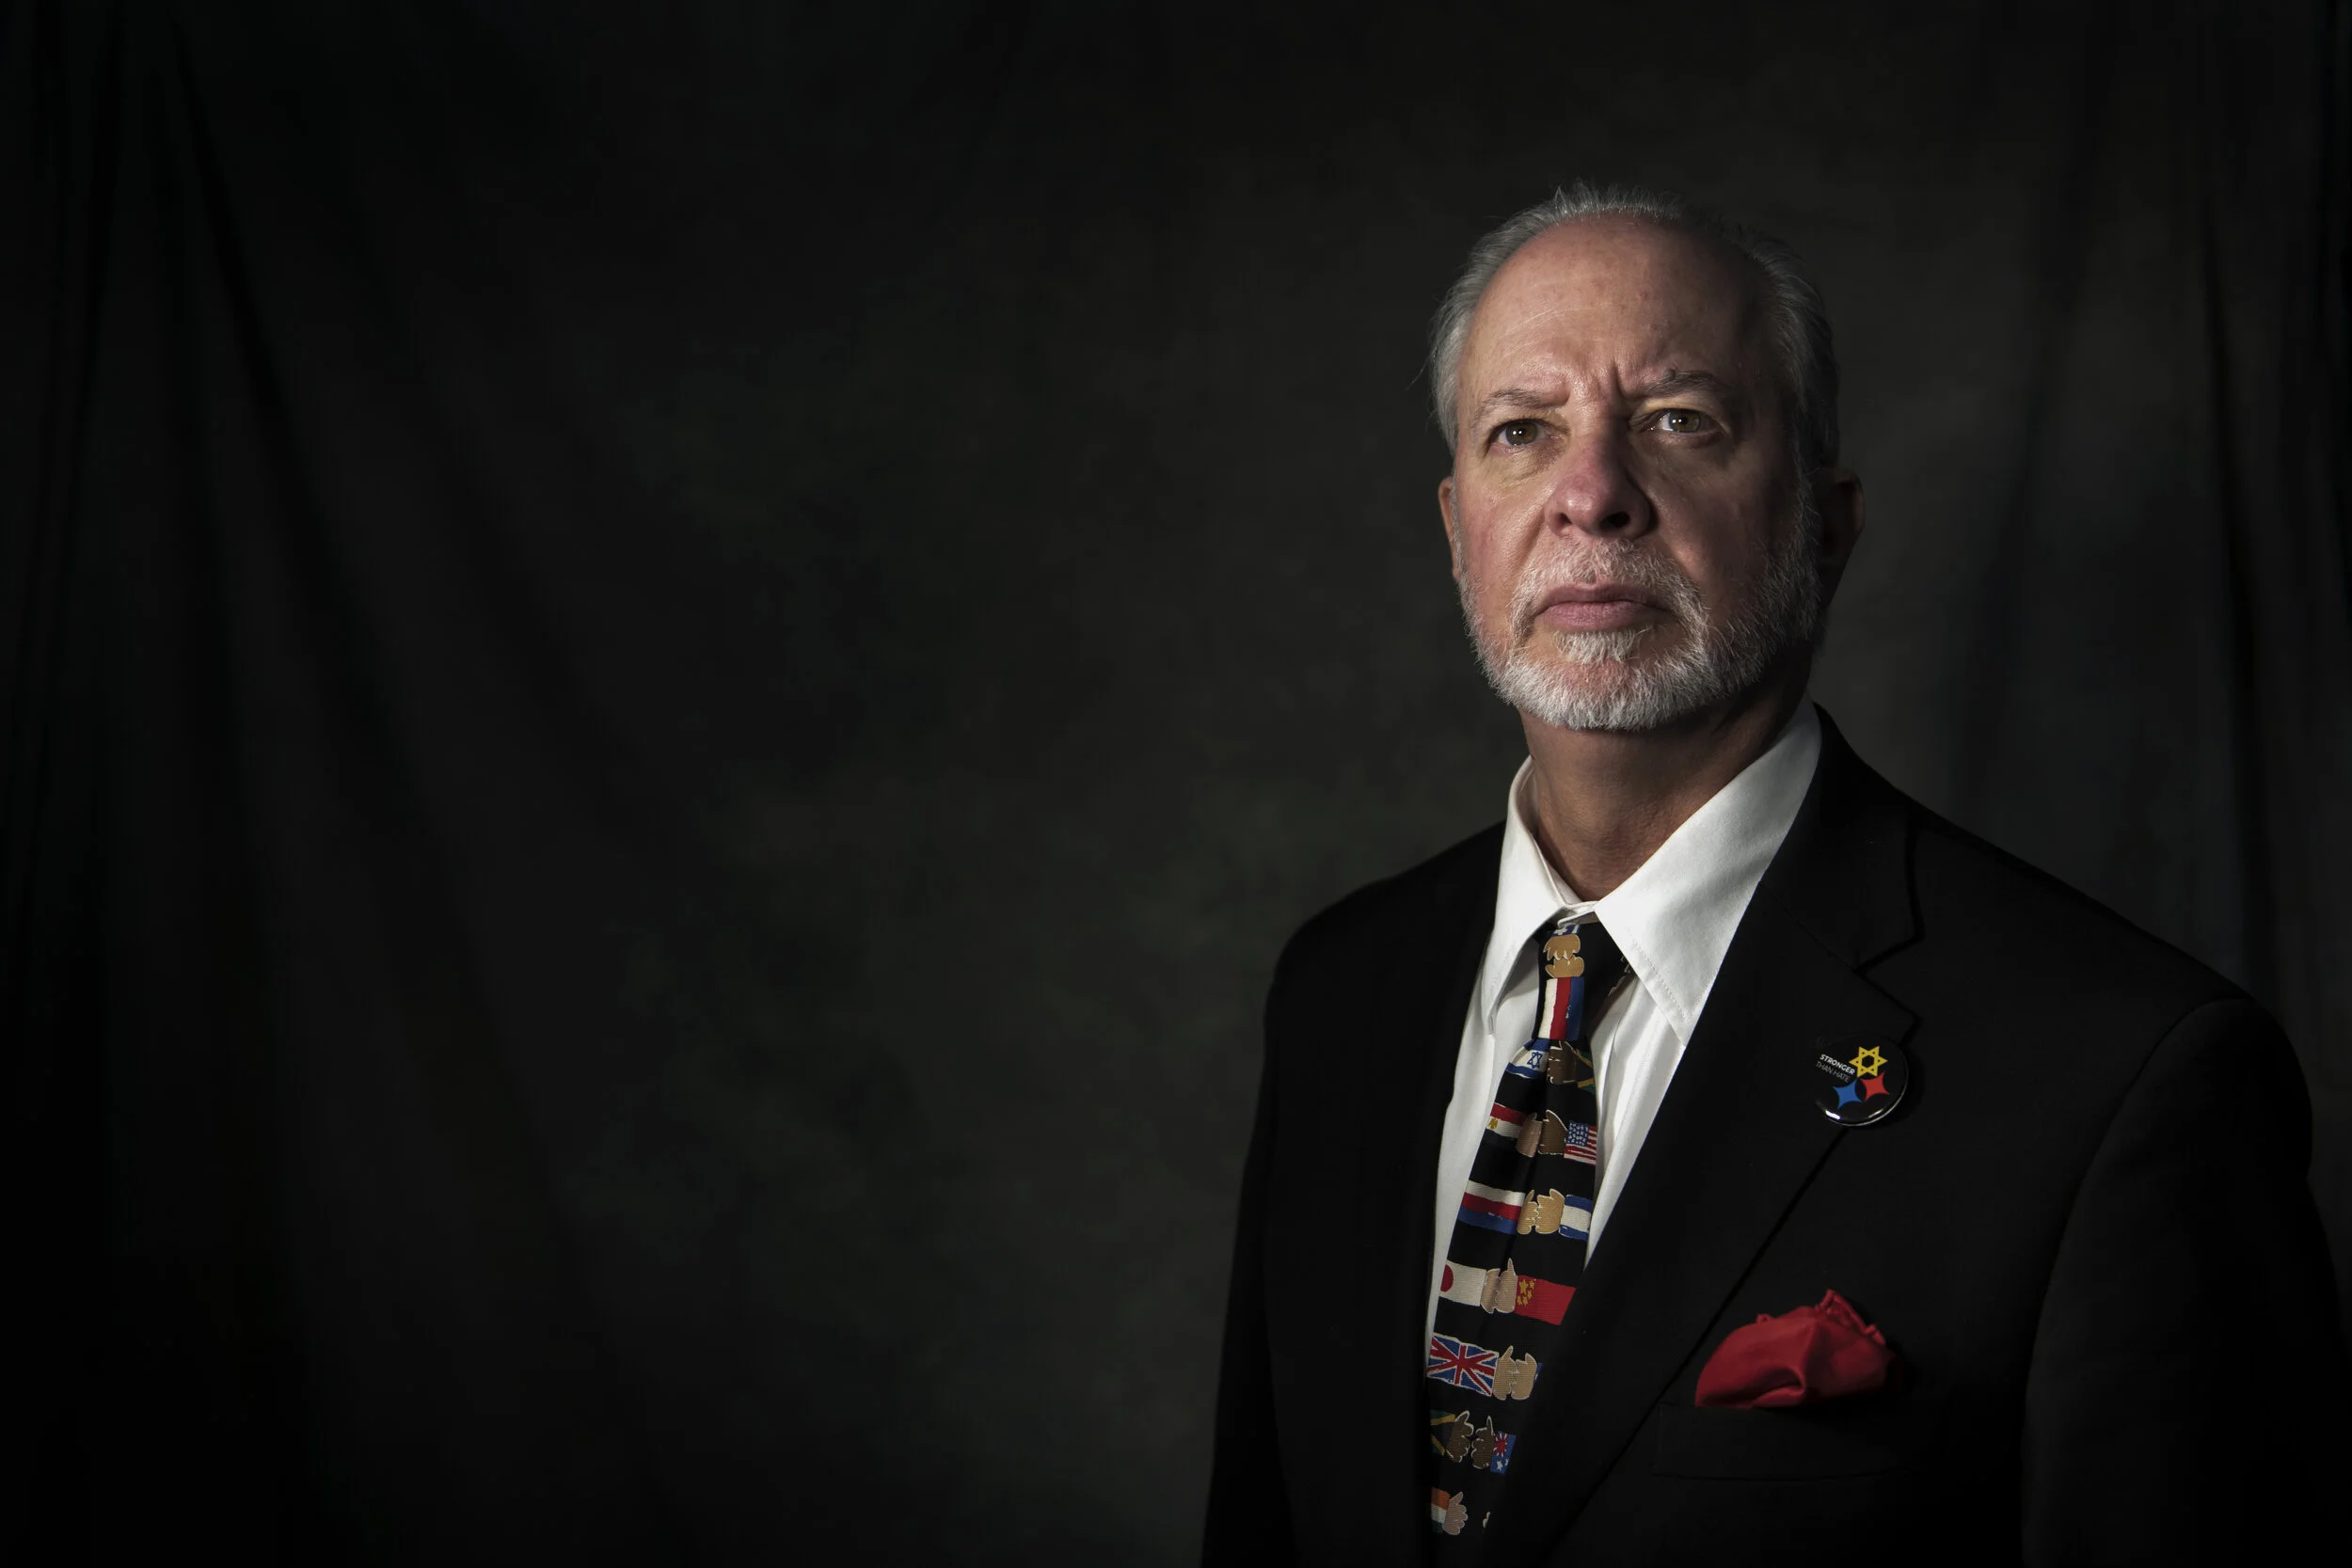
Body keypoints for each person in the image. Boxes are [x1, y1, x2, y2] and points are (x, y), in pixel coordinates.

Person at [1201, 185, 2344, 1565]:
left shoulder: (2121, 1076)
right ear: (1459, 532)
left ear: (1827, 524)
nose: (1592, 494)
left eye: (1681, 421)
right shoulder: (1340, 993)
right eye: (1524, 431)